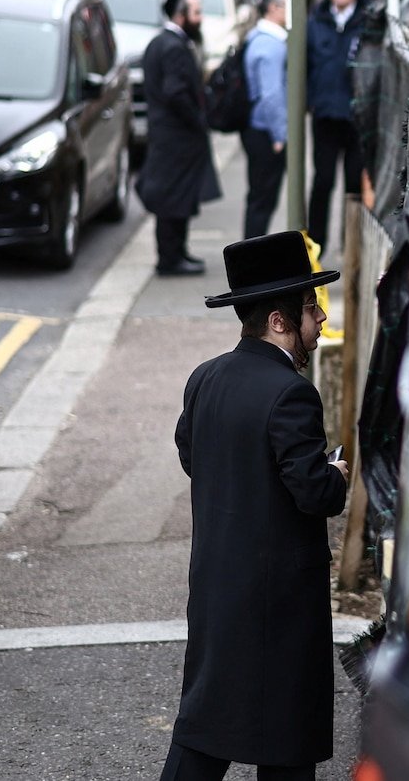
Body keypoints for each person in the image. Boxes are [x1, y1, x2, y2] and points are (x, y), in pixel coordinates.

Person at [160, 231, 350, 781]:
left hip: (218, 586)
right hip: (281, 601)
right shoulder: (292, 393)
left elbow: (191, 454)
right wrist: (334, 472)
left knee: (204, 728)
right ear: (278, 320)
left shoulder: (205, 378)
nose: (319, 323)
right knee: (286, 740)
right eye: (311, 310)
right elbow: (314, 493)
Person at [138, 0, 219, 276]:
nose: (201, 18)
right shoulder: (174, 47)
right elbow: (175, 93)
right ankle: (170, 259)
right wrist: (197, 121)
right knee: (173, 199)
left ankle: (176, 253)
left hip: (168, 135)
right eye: (196, 12)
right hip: (177, 138)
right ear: (181, 16)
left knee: (176, 198)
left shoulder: (161, 42)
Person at [305, 0, 368, 249]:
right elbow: (302, 65)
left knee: (354, 185)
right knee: (322, 182)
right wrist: (310, 102)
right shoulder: (315, 22)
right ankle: (315, 246)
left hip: (357, 118)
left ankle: (351, 246)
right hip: (325, 115)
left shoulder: (368, 21)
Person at [242, 0, 289, 239]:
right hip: (265, 131)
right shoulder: (271, 46)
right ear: (274, 7)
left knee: (258, 197)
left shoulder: (257, 38)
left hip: (257, 128)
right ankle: (252, 258)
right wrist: (279, 135)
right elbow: (271, 95)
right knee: (262, 199)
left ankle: (252, 253)